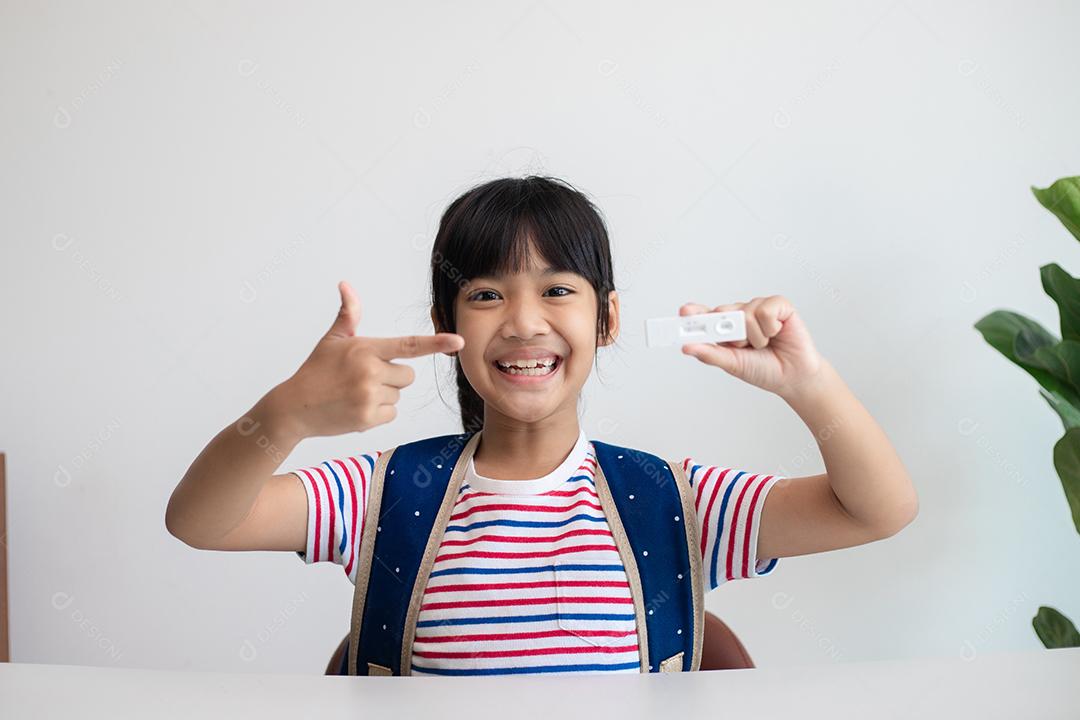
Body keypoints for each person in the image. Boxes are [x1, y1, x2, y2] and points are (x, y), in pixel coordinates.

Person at [165, 175, 918, 676]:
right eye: (487, 295)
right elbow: (200, 521)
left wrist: (808, 383)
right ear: (443, 324)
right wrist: (285, 411)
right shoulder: (381, 492)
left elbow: (878, 510)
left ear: (608, 318)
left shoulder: (673, 502)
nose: (525, 323)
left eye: (558, 288)